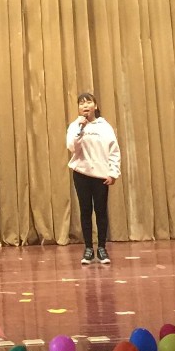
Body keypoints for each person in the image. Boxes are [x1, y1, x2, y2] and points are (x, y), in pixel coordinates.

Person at [66, 90, 120, 266]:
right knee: (85, 210)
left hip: (101, 175)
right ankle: (88, 248)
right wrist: (80, 129)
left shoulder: (105, 126)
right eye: (81, 103)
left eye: (88, 102)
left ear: (95, 106)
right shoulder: (75, 126)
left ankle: (102, 248)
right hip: (81, 174)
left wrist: (113, 173)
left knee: (101, 211)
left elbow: (114, 150)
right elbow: (71, 147)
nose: (85, 106)